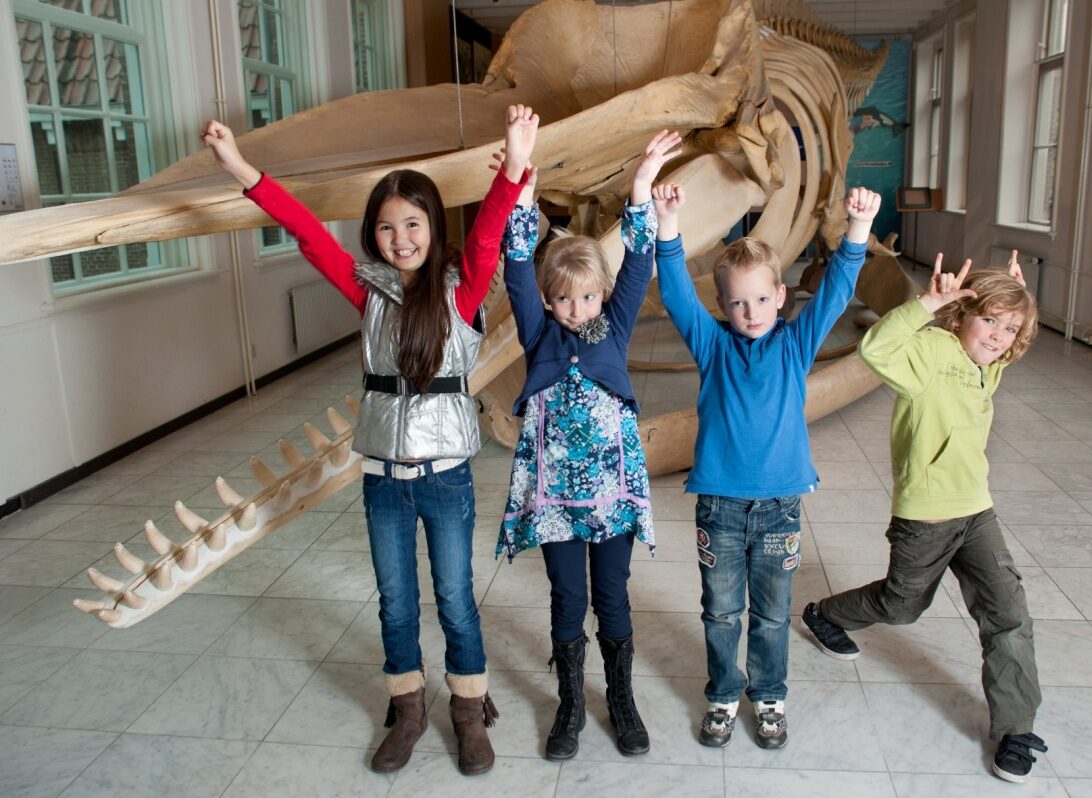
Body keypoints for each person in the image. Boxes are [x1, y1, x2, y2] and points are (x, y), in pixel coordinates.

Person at [201, 105, 537, 777]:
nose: (399, 237)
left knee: (453, 597)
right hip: (384, 477)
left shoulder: (461, 291)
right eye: (385, 227)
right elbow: (303, 231)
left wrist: (516, 161)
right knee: (394, 599)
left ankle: (468, 711)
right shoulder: (369, 293)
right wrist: (240, 168)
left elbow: (490, 235)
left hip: (446, 479)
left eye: (412, 223)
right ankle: (408, 708)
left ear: (432, 228)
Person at [800, 251, 1047, 784]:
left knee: (1009, 615)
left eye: (1011, 329)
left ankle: (1015, 729)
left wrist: (1010, 300)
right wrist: (927, 304)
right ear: (959, 315)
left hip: (977, 511)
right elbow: (877, 348)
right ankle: (827, 614)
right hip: (927, 518)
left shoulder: (989, 364)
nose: (1000, 337)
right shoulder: (931, 352)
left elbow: (998, 350)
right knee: (903, 604)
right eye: (989, 322)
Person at [653, 180, 880, 750]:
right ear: (723, 307)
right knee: (722, 613)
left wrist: (856, 232)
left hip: (780, 508)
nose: (749, 311)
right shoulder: (714, 347)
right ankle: (725, 694)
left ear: (780, 297)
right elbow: (678, 295)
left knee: (773, 616)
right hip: (720, 509)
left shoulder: (795, 344)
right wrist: (668, 226)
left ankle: (770, 696)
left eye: (759, 299)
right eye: (736, 302)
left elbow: (833, 294)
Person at [495, 131, 681, 760]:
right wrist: (522, 193)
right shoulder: (538, 331)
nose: (578, 308)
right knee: (568, 597)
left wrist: (642, 186)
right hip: (552, 501)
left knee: (612, 594)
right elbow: (517, 266)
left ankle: (621, 698)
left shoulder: (617, 323)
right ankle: (571, 702)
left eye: (588, 295)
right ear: (550, 300)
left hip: (612, 496)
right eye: (566, 297)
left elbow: (638, 259)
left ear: (602, 295)